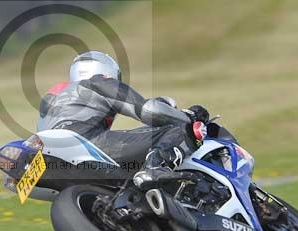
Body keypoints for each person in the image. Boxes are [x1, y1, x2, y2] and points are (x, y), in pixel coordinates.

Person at [37, 51, 211, 190]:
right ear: (107, 71)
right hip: (86, 141)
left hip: (44, 155)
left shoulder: (56, 94)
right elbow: (149, 111)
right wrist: (187, 117)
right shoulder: (99, 82)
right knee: (180, 130)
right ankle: (154, 168)